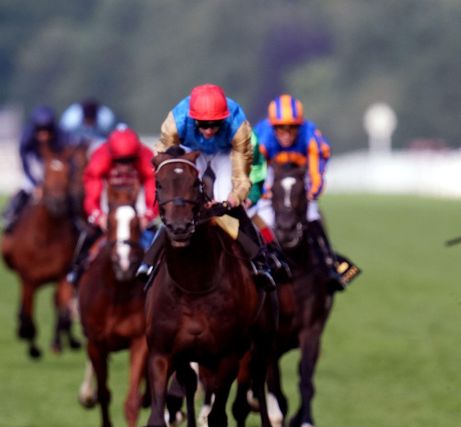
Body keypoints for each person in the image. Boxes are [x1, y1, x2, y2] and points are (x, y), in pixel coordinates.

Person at [137, 83, 285, 289]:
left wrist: (233, 198)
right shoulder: (176, 123)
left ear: (224, 119)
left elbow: (242, 176)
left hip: (225, 152)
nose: (208, 130)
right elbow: (162, 159)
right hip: (190, 151)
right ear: (193, 119)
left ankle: (259, 262)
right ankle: (149, 263)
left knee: (225, 207)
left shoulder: (238, 126)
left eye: (215, 124)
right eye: (203, 124)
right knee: (179, 203)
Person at [253, 93, 345, 292]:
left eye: (292, 128)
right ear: (273, 127)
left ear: (299, 126)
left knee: (312, 213)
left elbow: (317, 171)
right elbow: (257, 171)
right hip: (271, 174)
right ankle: (262, 262)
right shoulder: (262, 137)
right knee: (264, 215)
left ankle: (329, 264)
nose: (286, 134)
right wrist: (263, 192)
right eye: (280, 128)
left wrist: (313, 191)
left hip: (301, 176)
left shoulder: (310, 136)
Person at [66, 126, 157, 283]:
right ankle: (77, 270)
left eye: (129, 160)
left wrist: (146, 216)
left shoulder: (146, 157)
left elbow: (153, 192)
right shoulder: (99, 159)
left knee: (157, 238)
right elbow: (92, 196)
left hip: (137, 208)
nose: (125, 166)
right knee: (86, 236)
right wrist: (99, 217)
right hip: (108, 208)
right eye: (120, 161)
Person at [3, 105, 68, 232]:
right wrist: (36, 185)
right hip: (35, 164)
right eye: (40, 131)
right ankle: (11, 216)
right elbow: (25, 163)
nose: (44, 135)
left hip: (53, 165)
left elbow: (64, 160)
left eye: (47, 131)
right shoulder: (27, 138)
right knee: (25, 187)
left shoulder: (61, 138)